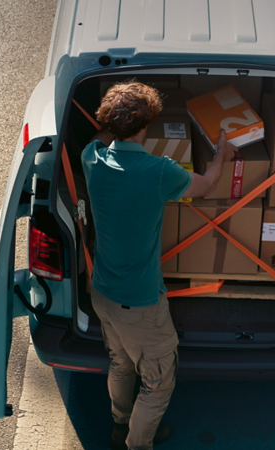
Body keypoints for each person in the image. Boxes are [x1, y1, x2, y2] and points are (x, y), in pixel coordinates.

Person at [81, 81, 238, 450]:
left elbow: (99, 137)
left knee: (120, 365)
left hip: (102, 293)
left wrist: (114, 119)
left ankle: (121, 426)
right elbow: (207, 185)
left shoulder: (92, 159)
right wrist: (221, 155)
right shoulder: (159, 173)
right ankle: (137, 445)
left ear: (109, 122)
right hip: (140, 304)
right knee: (158, 380)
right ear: (146, 125)